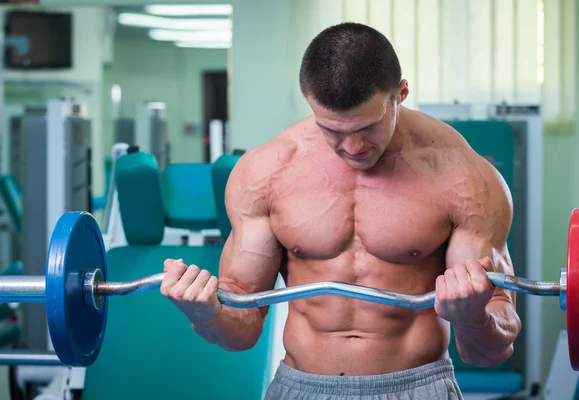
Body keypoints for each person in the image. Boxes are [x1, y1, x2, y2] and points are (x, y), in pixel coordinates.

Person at [160, 22, 521, 400]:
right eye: (331, 129)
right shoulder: (265, 173)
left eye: (368, 127)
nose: (352, 147)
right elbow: (242, 330)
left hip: (419, 387)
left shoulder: (464, 178)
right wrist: (205, 313)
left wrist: (473, 317)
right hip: (301, 387)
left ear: (400, 94)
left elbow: (489, 352)